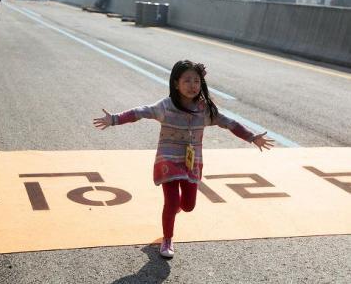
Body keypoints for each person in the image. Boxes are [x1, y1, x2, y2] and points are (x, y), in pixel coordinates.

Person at [93, 60, 274, 258]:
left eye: (196, 81)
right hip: (168, 161)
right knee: (171, 202)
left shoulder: (205, 110)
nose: (192, 85)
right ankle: (167, 239)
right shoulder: (165, 106)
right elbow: (140, 112)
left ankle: (175, 210)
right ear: (176, 83)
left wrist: (252, 137)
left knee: (188, 206)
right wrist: (115, 119)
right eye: (187, 80)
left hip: (191, 163)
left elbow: (228, 123)